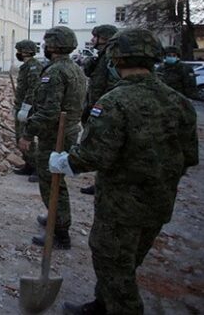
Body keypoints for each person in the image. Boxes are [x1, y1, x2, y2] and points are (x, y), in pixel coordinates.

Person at [49, 28, 198, 315]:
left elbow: (95, 154)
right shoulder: (179, 102)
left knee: (113, 264)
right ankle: (102, 304)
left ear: (115, 59)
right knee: (128, 261)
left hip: (121, 206)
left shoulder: (115, 101)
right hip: (160, 201)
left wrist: (66, 161)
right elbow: (190, 156)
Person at [18, 26, 85, 249]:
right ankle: (55, 218)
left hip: (54, 134)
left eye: (47, 44)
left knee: (52, 182)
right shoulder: (75, 69)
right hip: (68, 130)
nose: (44, 48)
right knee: (56, 179)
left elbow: (49, 110)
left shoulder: (55, 72)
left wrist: (28, 133)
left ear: (54, 46)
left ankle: (60, 232)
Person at [79, 24, 119, 196]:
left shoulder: (111, 58)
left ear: (104, 38)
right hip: (95, 106)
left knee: (106, 147)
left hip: (104, 109)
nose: (92, 40)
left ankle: (104, 184)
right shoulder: (101, 57)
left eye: (95, 36)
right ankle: (101, 183)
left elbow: (111, 86)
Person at [13, 39, 42, 182]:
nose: (17, 53)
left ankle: (37, 167)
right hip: (21, 105)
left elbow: (33, 89)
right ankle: (29, 165)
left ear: (24, 51)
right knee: (19, 137)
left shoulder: (33, 67)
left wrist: (26, 107)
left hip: (28, 108)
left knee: (26, 137)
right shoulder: (26, 66)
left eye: (18, 51)